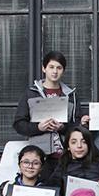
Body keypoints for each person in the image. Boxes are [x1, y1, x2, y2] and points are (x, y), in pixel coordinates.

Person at [13, 50, 78, 180]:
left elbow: (78, 125)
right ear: (44, 68)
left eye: (59, 68)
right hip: (40, 157)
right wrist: (38, 127)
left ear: (63, 70)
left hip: (66, 155)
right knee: (44, 192)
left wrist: (62, 128)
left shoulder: (71, 95)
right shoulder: (31, 93)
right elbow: (19, 124)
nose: (55, 71)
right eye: (51, 67)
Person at [46, 125, 99, 196]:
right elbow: (51, 191)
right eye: (74, 142)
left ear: (89, 145)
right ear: (68, 146)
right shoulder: (62, 165)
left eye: (84, 142)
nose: (79, 146)